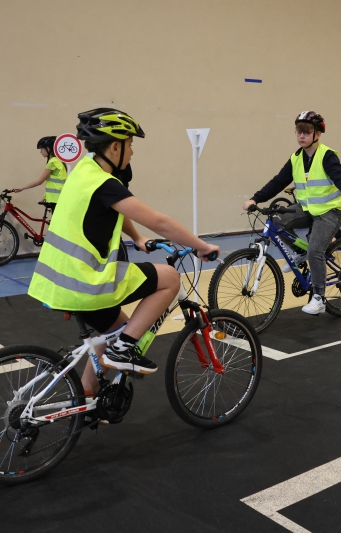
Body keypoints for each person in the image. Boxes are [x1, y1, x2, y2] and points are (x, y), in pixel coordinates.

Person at [28, 109, 219, 397]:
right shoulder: (105, 184)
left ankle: (86, 400)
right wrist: (201, 246)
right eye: (130, 144)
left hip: (58, 281)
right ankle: (124, 350)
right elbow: (160, 222)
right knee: (169, 277)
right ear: (115, 147)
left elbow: (115, 209)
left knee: (115, 331)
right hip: (85, 283)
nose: (132, 151)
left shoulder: (84, 171)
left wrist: (138, 238)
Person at [243, 111, 341, 315]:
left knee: (315, 251)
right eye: (298, 132)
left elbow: (340, 177)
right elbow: (278, 181)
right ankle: (300, 252)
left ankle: (319, 297)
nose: (301, 136)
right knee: (276, 220)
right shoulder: (296, 158)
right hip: (306, 208)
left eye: (306, 132)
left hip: (329, 212)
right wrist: (255, 199)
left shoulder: (327, 156)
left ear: (317, 134)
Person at [12, 136, 68, 207]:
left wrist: (22, 188)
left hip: (56, 200)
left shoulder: (53, 162)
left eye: (41, 149)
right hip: (59, 198)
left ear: (48, 148)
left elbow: (40, 181)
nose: (40, 152)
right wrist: (45, 196)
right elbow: (54, 184)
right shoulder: (58, 161)